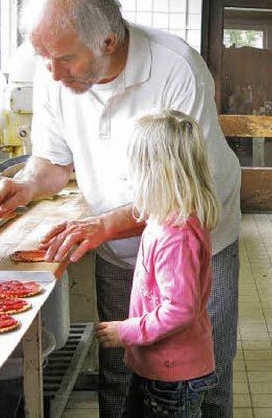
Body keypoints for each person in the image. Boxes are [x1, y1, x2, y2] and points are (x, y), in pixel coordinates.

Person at [0, 0, 242, 417]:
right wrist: (24, 185)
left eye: (64, 58)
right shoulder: (55, 73)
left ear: (107, 41)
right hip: (120, 247)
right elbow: (51, 162)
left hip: (196, 242)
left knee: (203, 370)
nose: (51, 71)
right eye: (42, 56)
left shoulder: (175, 67)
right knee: (121, 366)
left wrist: (101, 226)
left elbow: (184, 187)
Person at [95, 110, 219, 417]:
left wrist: (127, 331)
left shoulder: (174, 236)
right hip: (163, 370)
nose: (129, 175)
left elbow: (179, 310)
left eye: (135, 166)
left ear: (157, 173)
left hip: (172, 378)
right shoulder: (169, 219)